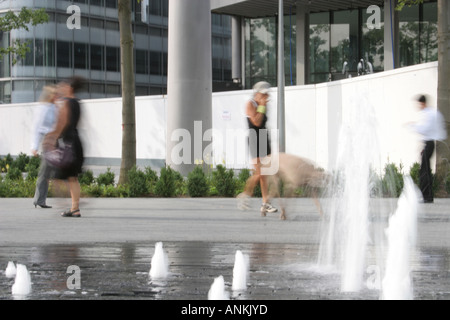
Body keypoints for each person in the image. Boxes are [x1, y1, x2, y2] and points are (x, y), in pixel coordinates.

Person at [45, 76, 85, 217]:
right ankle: (75, 208)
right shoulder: (77, 103)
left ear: (70, 88)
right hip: (77, 142)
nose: (62, 88)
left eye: (64, 86)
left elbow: (62, 122)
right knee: (72, 177)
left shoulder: (67, 103)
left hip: (68, 144)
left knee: (57, 176)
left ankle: (67, 204)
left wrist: (51, 138)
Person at [237, 81, 278, 215]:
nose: (266, 97)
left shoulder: (263, 104)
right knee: (260, 172)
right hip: (254, 138)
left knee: (266, 173)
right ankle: (245, 195)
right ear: (257, 93)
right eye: (264, 94)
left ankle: (265, 203)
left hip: (263, 137)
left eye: (267, 94)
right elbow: (256, 121)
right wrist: (261, 105)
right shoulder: (251, 104)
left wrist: (263, 105)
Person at [408, 94, 447, 203]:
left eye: (419, 104)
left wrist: (412, 126)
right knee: (425, 170)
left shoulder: (428, 114)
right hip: (428, 144)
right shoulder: (431, 113)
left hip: (428, 144)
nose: (418, 106)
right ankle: (427, 196)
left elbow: (424, 129)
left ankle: (427, 196)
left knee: (424, 171)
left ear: (422, 103)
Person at [31, 85, 58, 209]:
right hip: (48, 142)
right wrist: (34, 146)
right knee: (45, 172)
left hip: (55, 141)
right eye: (54, 94)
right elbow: (36, 128)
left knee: (49, 172)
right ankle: (39, 200)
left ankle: (40, 200)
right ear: (49, 95)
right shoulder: (43, 108)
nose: (56, 96)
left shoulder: (54, 107)